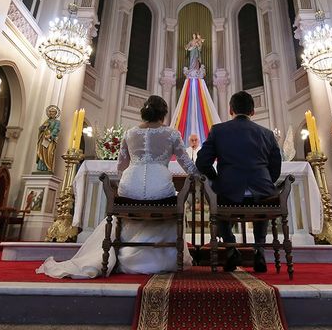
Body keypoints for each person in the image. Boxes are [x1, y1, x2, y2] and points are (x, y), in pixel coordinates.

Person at [37, 95, 198, 279]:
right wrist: (201, 176)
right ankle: (162, 258)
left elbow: (121, 166)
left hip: (130, 186)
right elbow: (187, 165)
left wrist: (130, 182)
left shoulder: (130, 133)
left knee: (133, 200)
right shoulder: (172, 134)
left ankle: (125, 255)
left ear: (143, 113)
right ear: (163, 114)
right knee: (175, 200)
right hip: (160, 187)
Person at [195, 91, 282, 273]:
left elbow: (202, 162)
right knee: (262, 203)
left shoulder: (218, 130)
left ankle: (231, 248)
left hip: (229, 193)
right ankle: (259, 249)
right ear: (253, 112)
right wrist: (264, 182)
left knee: (216, 199)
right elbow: (275, 167)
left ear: (230, 110)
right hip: (261, 191)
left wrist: (216, 178)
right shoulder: (267, 134)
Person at [36, 105, 60, 173]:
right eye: (50, 112)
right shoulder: (46, 121)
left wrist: (50, 135)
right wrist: (43, 126)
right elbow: (40, 129)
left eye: (52, 112)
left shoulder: (57, 122)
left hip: (50, 140)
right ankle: (41, 168)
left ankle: (48, 167)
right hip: (43, 139)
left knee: (49, 152)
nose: (51, 113)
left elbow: (56, 129)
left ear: (55, 114)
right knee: (42, 153)